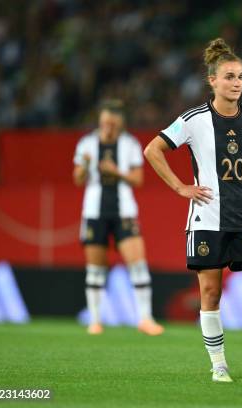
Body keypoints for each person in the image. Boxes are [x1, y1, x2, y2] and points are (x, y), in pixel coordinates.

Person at [144, 38, 242, 384]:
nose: (237, 83)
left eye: (241, 77)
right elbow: (153, 150)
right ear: (213, 81)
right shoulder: (192, 120)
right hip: (207, 220)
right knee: (210, 293)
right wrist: (179, 187)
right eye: (230, 77)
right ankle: (219, 365)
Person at [73, 100, 164, 336]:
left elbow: (138, 179)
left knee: (138, 264)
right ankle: (95, 320)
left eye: (112, 124)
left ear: (120, 123)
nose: (108, 128)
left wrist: (116, 172)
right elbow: (78, 178)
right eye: (105, 123)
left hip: (124, 211)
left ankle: (145, 318)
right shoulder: (87, 143)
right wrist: (85, 164)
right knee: (95, 268)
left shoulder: (130, 144)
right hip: (94, 212)